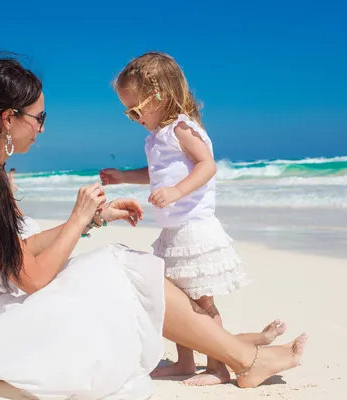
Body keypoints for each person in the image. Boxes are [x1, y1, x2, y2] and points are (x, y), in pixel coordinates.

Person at [0, 56, 307, 400]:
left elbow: (16, 250)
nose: (43, 128)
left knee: (124, 265)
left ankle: (233, 349)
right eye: (40, 118)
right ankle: (244, 357)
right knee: (121, 269)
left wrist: (94, 217)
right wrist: (78, 219)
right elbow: (30, 278)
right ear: (9, 119)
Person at [101, 52, 251, 386]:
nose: (133, 117)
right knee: (179, 302)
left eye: (136, 110)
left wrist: (176, 192)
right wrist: (123, 176)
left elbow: (207, 165)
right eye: (128, 112)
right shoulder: (157, 137)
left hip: (194, 229)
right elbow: (155, 174)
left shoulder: (182, 128)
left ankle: (217, 366)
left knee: (202, 301)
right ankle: (185, 362)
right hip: (174, 231)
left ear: (161, 96)